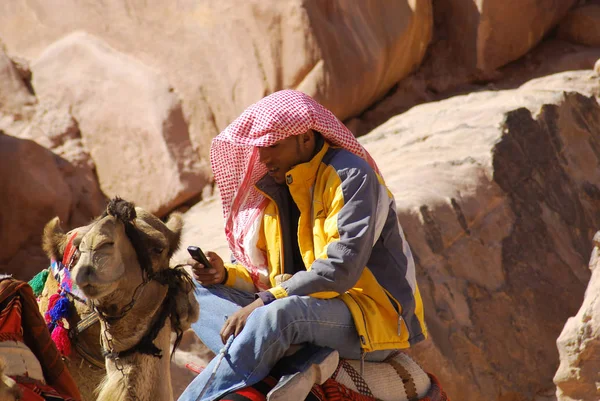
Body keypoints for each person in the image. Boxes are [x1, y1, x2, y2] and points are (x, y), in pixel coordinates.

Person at [179, 90, 427, 401]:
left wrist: (265, 301)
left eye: (273, 145)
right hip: (298, 310)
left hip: (365, 314)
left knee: (278, 314)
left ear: (305, 139)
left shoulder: (351, 175)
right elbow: (264, 276)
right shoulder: (272, 191)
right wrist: (223, 275)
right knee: (187, 287)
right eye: (260, 147)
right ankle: (302, 360)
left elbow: (341, 270)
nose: (264, 157)